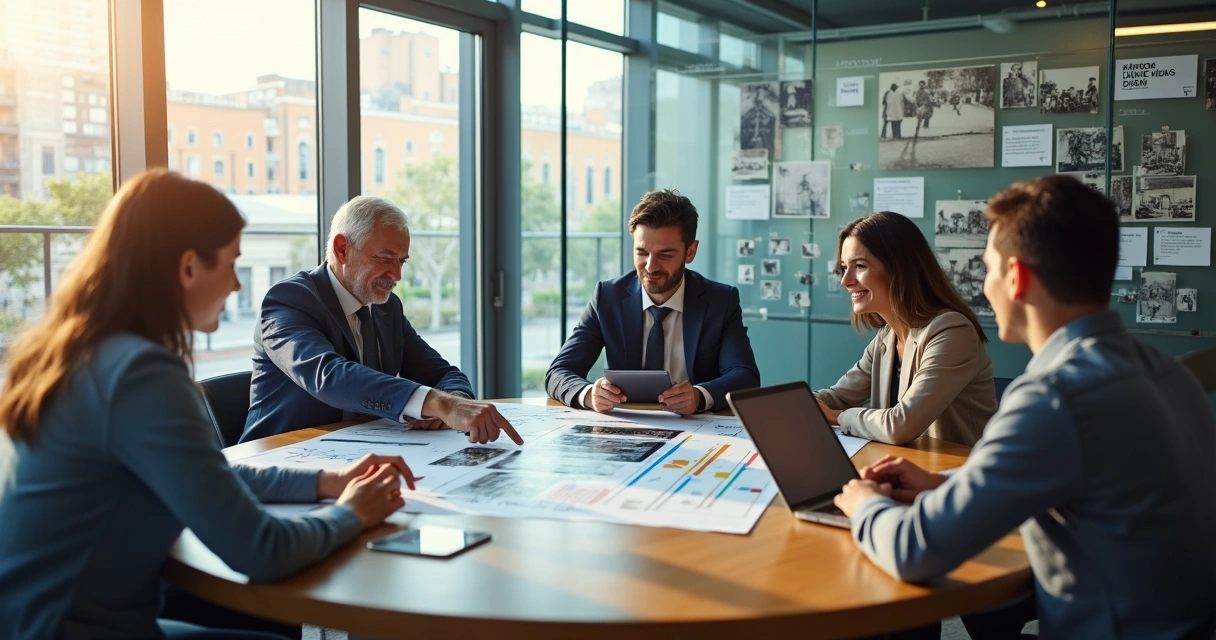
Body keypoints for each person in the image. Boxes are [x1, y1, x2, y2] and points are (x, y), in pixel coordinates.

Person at [0, 170, 414, 640]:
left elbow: (205, 475)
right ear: (188, 266)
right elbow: (262, 550)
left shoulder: (84, 351)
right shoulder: (142, 374)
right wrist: (353, 512)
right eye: (233, 263)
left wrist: (327, 481)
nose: (237, 286)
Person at [835, 175, 1216, 639]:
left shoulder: (1052, 397)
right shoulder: (1167, 373)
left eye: (987, 268)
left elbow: (915, 551)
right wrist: (945, 483)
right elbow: (1087, 476)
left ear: (1016, 279)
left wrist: (864, 504)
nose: (984, 287)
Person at [244, 195, 522, 446]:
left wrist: (455, 400)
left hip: (361, 458)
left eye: (401, 261)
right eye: (385, 258)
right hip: (280, 464)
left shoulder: (386, 309)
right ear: (343, 249)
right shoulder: (288, 299)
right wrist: (438, 404)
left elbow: (443, 374)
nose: (397, 275)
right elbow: (328, 375)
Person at [546, 189, 760, 415]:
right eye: (641, 252)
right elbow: (559, 372)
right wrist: (589, 393)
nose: (650, 266)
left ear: (691, 252)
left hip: (698, 429)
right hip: (625, 427)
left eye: (665, 254)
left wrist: (699, 396)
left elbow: (744, 376)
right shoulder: (608, 297)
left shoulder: (720, 301)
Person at [814, 212, 996, 446]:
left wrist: (837, 417)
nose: (845, 280)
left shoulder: (952, 331)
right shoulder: (886, 339)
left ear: (899, 269)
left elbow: (900, 425)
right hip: (906, 469)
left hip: (958, 475)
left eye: (859, 266)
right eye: (843, 267)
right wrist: (803, 404)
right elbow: (838, 397)